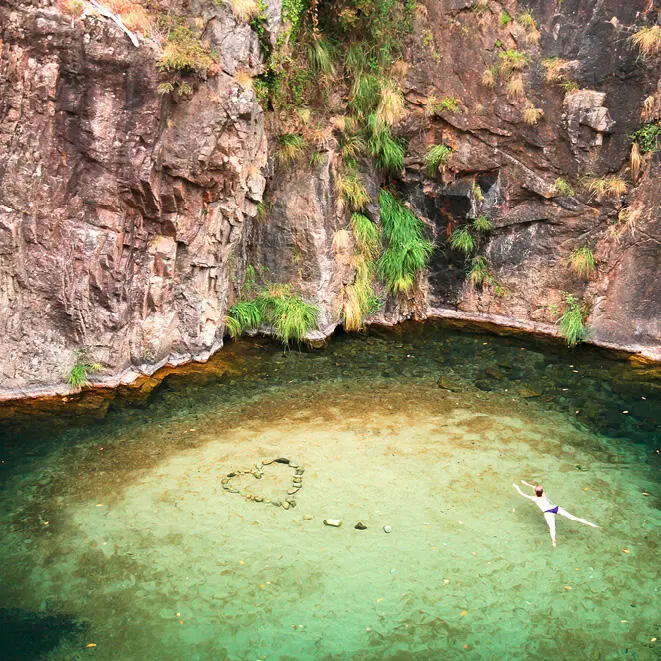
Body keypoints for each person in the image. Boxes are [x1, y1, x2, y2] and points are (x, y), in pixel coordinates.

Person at [512, 480, 599, 547]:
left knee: (552, 528)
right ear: (542, 492)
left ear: (535, 493)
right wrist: (527, 484)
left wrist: (517, 487)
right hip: (555, 508)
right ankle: (592, 524)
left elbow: (522, 493)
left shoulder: (534, 499)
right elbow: (536, 487)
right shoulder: (544, 495)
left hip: (548, 513)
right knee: (574, 518)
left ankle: (554, 542)